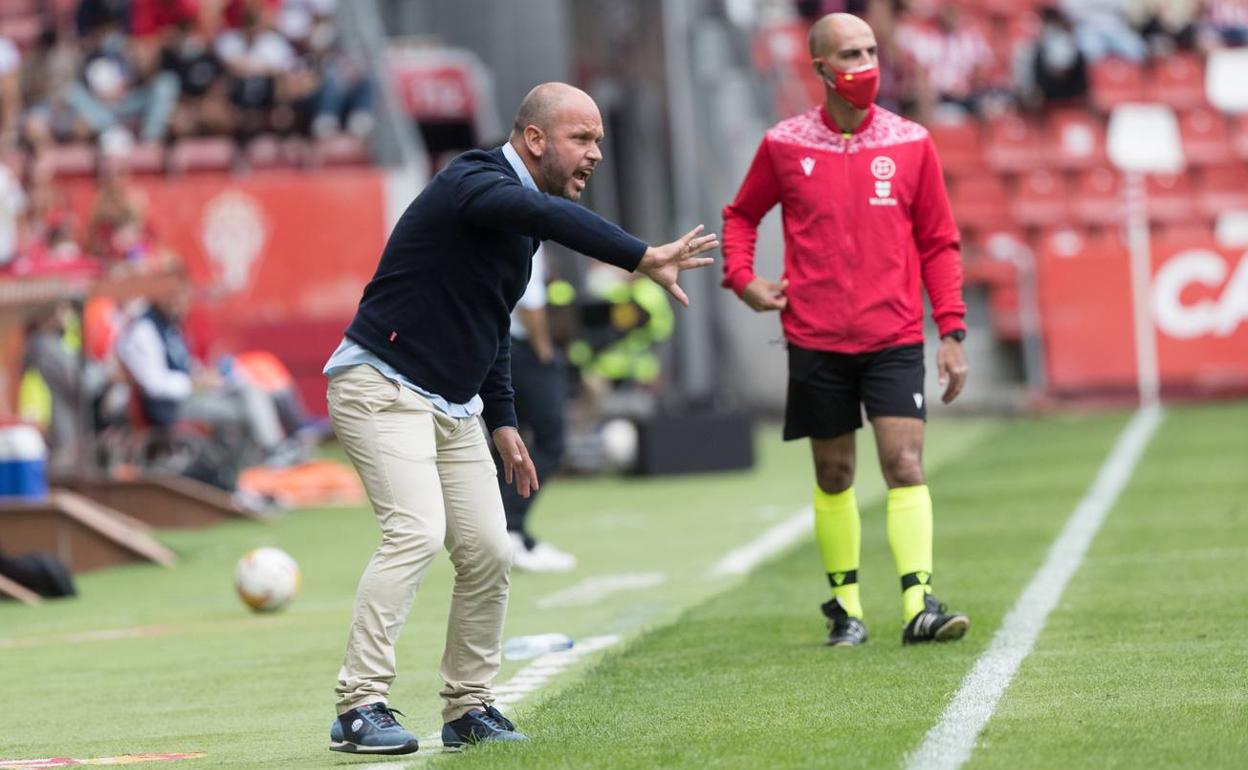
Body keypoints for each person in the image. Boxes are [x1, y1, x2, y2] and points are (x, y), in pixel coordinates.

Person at [322, 81, 717, 754]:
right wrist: (639, 254)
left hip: (451, 402)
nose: (594, 153)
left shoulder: (518, 218)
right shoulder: (473, 181)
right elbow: (550, 221)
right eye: (582, 139)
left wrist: (503, 420)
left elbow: (491, 326)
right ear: (534, 140)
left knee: (489, 549)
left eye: (598, 140)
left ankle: (467, 707)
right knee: (416, 533)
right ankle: (358, 707)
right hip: (379, 383)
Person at [721, 13, 969, 648]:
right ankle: (846, 607)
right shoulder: (785, 144)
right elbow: (742, 215)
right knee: (834, 474)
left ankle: (920, 603)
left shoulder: (912, 142)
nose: (867, 66)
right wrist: (743, 278)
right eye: (852, 55)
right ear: (823, 69)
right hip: (815, 338)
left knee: (905, 463)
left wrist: (952, 331)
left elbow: (940, 243)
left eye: (871, 52)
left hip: (892, 336)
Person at [496, 244, 577, 572]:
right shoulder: (524, 222)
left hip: (500, 344)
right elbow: (529, 302)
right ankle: (509, 530)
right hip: (521, 348)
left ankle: (509, 531)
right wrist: (544, 353)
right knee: (550, 441)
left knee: (508, 443)